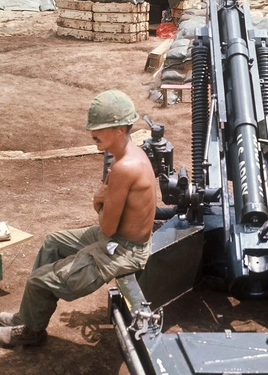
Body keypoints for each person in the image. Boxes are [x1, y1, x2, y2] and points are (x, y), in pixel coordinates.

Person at [0, 90, 157, 348]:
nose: (92, 133)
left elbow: (106, 225)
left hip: (121, 250)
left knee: (38, 281)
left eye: (99, 128)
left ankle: (31, 332)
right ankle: (27, 317)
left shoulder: (123, 168)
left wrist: (98, 202)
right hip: (118, 240)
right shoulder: (130, 155)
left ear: (119, 128)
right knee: (52, 242)